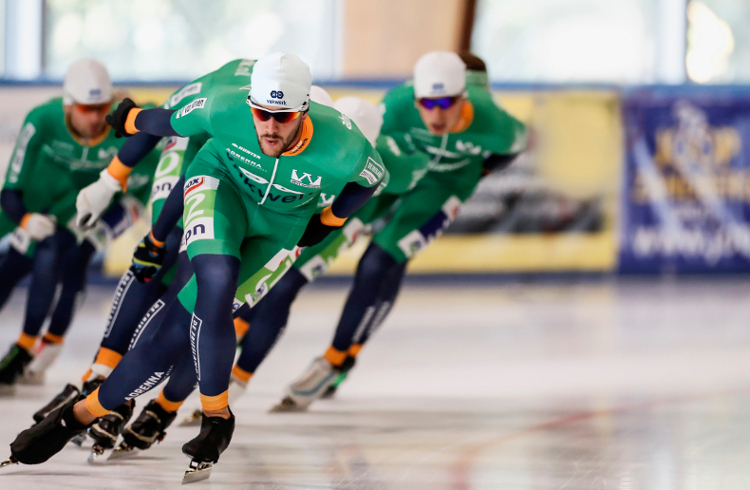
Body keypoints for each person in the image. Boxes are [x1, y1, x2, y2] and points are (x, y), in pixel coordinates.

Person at [7, 52, 384, 481]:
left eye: (282, 117)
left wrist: (331, 220)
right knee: (213, 277)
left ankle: (144, 410)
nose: (269, 128)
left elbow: (374, 180)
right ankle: (117, 403)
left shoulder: (345, 147)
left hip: (282, 225)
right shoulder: (222, 103)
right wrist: (125, 139)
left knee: (178, 333)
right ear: (249, 101)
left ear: (304, 111)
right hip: (221, 186)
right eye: (261, 113)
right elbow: (166, 122)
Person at [260, 50, 526, 412]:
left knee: (381, 260)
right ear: (415, 98)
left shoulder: (492, 120)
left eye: (446, 103)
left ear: (464, 98)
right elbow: (362, 139)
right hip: (397, 170)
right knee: (323, 235)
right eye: (426, 104)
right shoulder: (398, 103)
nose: (435, 113)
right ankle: (247, 329)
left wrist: (480, 171)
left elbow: (515, 145)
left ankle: (336, 359)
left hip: (445, 184)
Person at [0, 58, 160, 392]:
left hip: (100, 207)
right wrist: (26, 219)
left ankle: (35, 345)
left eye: (101, 107)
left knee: (71, 255)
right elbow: (10, 192)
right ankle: (39, 344)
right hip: (46, 201)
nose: (95, 118)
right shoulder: (43, 119)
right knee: (13, 266)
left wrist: (97, 234)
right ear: (68, 105)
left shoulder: (127, 124)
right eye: (86, 109)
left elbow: (136, 200)